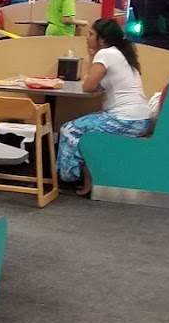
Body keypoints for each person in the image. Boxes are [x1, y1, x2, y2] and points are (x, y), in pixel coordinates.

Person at [58, 18, 152, 196]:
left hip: (126, 120)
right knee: (82, 127)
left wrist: (93, 56)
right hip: (140, 119)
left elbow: (88, 86)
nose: (87, 37)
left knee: (69, 129)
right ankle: (81, 178)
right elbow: (94, 84)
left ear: (102, 40)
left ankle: (67, 179)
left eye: (91, 34)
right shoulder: (121, 54)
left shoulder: (106, 54)